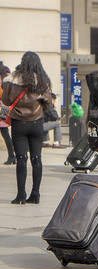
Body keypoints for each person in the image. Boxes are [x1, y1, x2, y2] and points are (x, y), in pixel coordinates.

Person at [2, 51, 52, 205]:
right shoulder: (43, 81)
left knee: (21, 160)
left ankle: (21, 195)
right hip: (37, 123)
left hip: (19, 123)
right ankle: (35, 194)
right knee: (37, 159)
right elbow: (48, 103)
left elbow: (6, 100)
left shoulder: (13, 80)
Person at [0, 62, 16, 165]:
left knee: (5, 134)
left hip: (1, 108)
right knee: (6, 134)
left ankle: (12, 156)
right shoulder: (9, 79)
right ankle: (12, 156)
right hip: (6, 109)